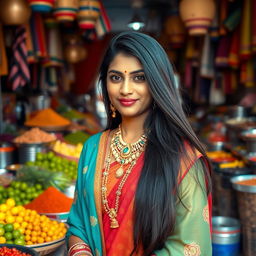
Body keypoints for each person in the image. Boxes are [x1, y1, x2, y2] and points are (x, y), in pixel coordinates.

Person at [66, 31, 212, 256]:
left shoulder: (182, 159)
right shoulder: (92, 148)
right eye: (116, 77)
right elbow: (78, 224)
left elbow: (190, 247)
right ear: (104, 83)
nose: (125, 89)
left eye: (139, 77)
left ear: (157, 83)